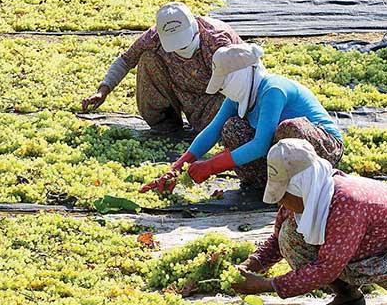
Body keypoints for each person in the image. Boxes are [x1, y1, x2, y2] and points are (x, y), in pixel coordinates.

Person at [140, 43, 344, 193]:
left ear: (240, 75)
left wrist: (211, 166)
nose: (223, 88)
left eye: (224, 82)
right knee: (231, 127)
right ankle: (270, 183)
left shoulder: (273, 90)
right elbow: (213, 131)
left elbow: (261, 145)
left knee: (289, 129)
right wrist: (175, 168)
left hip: (323, 148)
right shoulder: (236, 97)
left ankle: (305, 185)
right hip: (283, 154)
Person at [232, 139, 386, 305]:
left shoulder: (347, 204)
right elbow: (276, 241)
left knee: (328, 262)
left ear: (301, 186)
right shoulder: (312, 195)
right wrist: (250, 265)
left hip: (382, 255)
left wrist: (267, 285)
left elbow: (327, 268)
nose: (280, 200)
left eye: (284, 193)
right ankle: (348, 297)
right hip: (364, 252)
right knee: (289, 235)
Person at [81, 2, 243, 134]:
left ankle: (213, 129)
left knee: (221, 129)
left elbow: (244, 82)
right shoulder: (153, 37)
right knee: (147, 59)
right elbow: (126, 60)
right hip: (182, 92)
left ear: (194, 28)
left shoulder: (217, 40)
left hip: (217, 99)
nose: (181, 49)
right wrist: (103, 90)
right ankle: (165, 123)